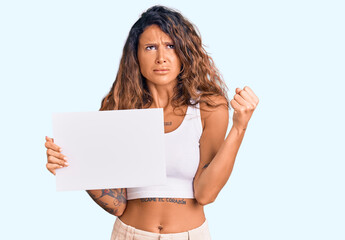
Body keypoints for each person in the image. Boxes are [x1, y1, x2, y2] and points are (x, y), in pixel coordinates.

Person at [45, 5, 259, 240]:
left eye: (170, 46)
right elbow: (118, 204)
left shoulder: (209, 107)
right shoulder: (119, 108)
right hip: (130, 234)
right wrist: (75, 166)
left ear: (184, 53)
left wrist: (239, 127)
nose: (161, 57)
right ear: (136, 55)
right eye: (150, 47)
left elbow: (206, 194)